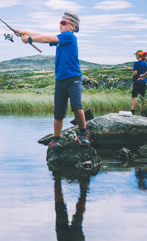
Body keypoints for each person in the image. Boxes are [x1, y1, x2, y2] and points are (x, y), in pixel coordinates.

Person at [15, 12, 91, 148]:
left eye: (63, 23)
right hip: (60, 80)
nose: (60, 25)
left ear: (72, 26)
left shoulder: (69, 36)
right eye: (60, 22)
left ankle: (84, 133)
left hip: (73, 78)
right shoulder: (61, 39)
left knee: (76, 106)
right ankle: (56, 139)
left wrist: (30, 40)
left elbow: (46, 38)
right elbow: (43, 35)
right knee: (58, 111)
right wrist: (23, 32)